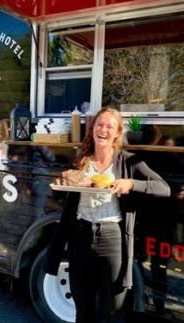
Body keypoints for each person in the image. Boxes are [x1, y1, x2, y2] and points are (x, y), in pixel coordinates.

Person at [43, 107, 171, 323]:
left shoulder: (129, 161)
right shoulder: (81, 161)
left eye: (109, 126)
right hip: (81, 236)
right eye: (99, 125)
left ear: (117, 133)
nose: (103, 129)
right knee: (82, 309)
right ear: (93, 129)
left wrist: (131, 184)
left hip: (112, 239)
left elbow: (163, 188)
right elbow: (68, 200)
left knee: (112, 309)